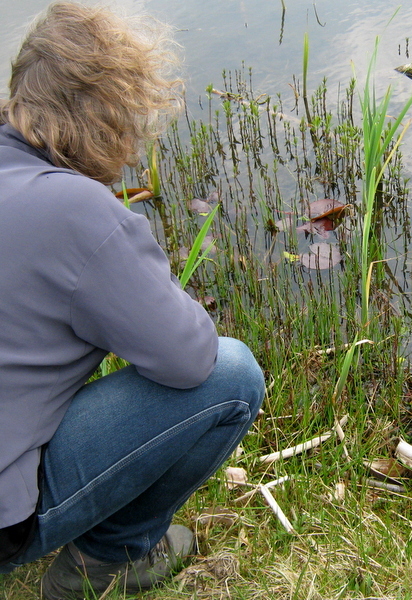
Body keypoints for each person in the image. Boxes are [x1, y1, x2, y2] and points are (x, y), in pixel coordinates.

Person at [0, 3, 265, 599]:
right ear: (107, 118)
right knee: (232, 374)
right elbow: (189, 358)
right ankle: (110, 557)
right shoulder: (80, 214)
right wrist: (133, 257)